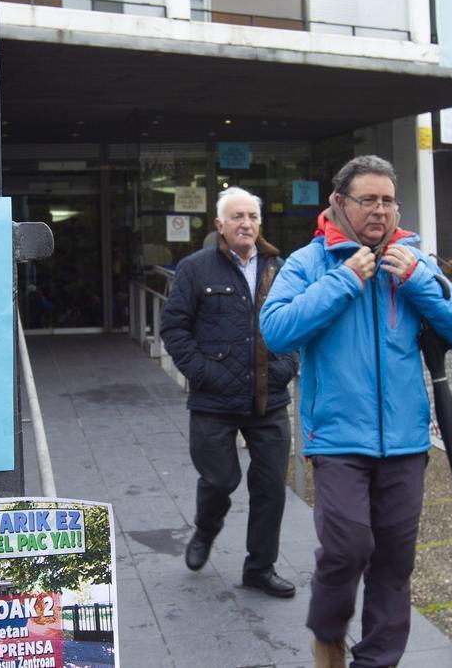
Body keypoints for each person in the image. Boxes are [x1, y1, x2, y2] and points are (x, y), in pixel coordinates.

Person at [258, 155, 452, 667]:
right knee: (348, 547)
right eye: (367, 200)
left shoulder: (415, 259)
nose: (379, 211)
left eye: (387, 201)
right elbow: (277, 330)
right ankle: (328, 633)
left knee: (394, 564)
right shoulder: (309, 262)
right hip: (337, 438)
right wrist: (345, 280)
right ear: (339, 203)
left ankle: (376, 661)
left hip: (405, 440)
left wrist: (420, 281)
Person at [160, 186, 299, 598]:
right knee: (220, 479)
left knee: (271, 486)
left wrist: (286, 366)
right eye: (237, 217)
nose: (246, 224)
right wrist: (203, 373)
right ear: (220, 225)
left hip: (268, 396)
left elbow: (295, 322)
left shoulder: (280, 268)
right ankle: (206, 530)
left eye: (253, 217)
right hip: (213, 400)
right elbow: (174, 328)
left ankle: (260, 567)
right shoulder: (195, 268)